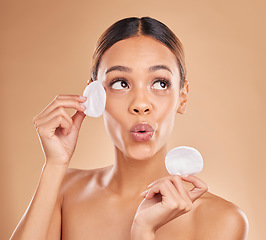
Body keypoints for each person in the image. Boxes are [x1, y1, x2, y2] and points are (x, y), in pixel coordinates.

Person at [10, 16, 248, 240]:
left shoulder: (222, 221)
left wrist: (143, 231)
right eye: (121, 83)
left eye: (160, 83)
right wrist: (55, 165)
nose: (140, 105)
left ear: (182, 97)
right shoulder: (65, 191)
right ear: (95, 96)